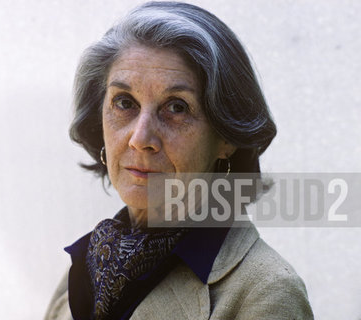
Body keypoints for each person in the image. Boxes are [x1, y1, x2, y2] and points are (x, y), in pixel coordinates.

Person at [45, 1, 314, 319]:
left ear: (226, 138)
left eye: (176, 107)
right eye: (124, 102)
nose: (141, 138)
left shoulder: (265, 292)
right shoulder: (82, 269)